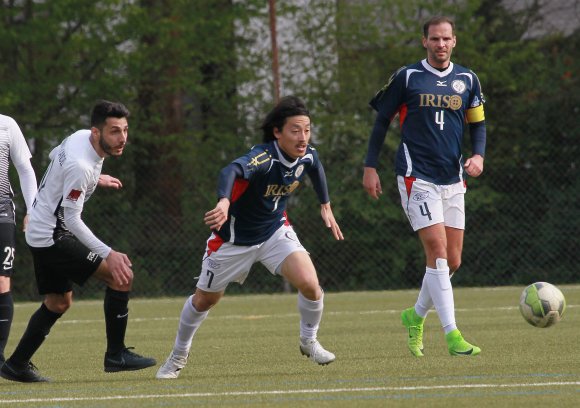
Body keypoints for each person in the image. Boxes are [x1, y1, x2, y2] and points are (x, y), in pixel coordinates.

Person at [156, 95, 344, 379]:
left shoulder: (307, 154)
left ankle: (309, 341)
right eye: (295, 130)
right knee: (203, 301)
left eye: (306, 129)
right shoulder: (264, 157)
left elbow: (315, 167)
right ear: (277, 132)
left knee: (311, 284)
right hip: (232, 241)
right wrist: (223, 201)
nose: (303, 136)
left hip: (274, 232)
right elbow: (230, 170)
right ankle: (178, 355)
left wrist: (325, 204)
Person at [0, 100, 156, 383]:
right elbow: (71, 221)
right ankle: (116, 355)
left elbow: (53, 155)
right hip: (53, 236)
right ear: (96, 133)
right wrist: (109, 253)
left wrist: (96, 179)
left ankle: (16, 364)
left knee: (58, 302)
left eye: (124, 130)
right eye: (114, 132)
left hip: (40, 230)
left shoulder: (78, 138)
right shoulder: (81, 166)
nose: (122, 138)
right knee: (121, 277)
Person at [363, 16, 486, 357]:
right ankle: (452, 336)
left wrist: (479, 156)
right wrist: (370, 167)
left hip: (452, 177)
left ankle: (414, 316)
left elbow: (478, 125)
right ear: (424, 42)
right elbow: (380, 123)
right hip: (416, 175)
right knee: (438, 252)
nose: (441, 44)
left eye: (446, 39)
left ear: (454, 41)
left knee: (453, 260)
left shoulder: (468, 79)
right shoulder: (408, 77)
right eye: (434, 39)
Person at [0, 114, 38, 365]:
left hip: (1, 211)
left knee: (2, 281)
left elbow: (25, 169)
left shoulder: (6, 124)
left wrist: (32, 211)